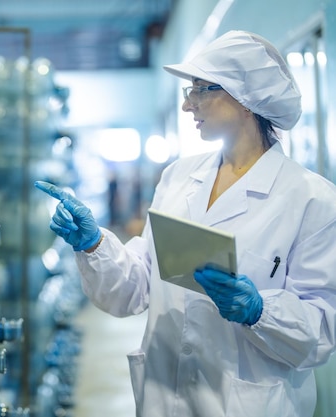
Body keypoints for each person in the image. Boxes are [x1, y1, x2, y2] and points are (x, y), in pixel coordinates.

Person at [35, 30, 336, 417]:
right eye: (187, 92)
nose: (188, 105)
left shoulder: (312, 199)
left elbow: (322, 329)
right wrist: (94, 245)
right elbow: (136, 287)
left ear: (246, 99)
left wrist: (260, 311)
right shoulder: (178, 178)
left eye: (200, 90)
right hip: (165, 397)